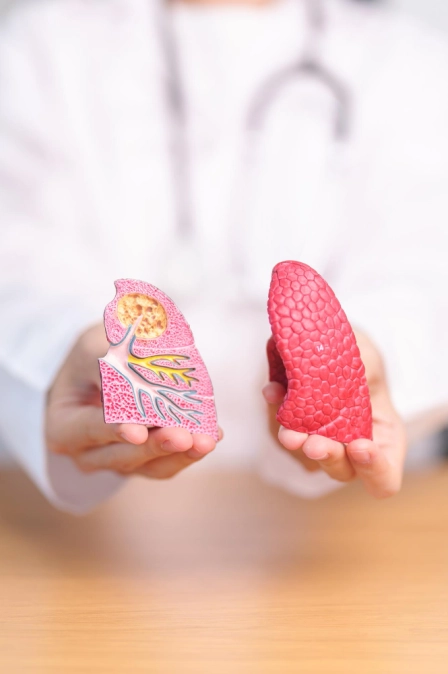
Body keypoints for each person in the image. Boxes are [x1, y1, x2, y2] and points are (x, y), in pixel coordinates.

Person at [0, 0, 447, 513]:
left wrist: (370, 349)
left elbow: (430, 266)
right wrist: (61, 348)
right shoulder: (40, 48)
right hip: (99, 524)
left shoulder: (410, 61)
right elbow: (13, 257)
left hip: (361, 521)